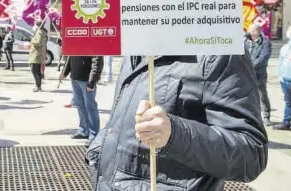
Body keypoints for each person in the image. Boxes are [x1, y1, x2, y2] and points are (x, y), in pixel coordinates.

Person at [86, 55, 268, 190]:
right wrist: (100, 146)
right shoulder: (138, 43)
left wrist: (175, 134)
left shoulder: (218, 50)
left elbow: (251, 155)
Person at [60, 56, 103, 147]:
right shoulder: (75, 42)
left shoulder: (93, 42)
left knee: (90, 108)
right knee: (80, 106)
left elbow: (97, 62)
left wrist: (92, 82)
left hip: (86, 80)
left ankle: (94, 135)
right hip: (75, 77)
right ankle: (83, 130)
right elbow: (70, 57)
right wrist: (65, 72)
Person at [245, 23, 272, 125]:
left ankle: (266, 115)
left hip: (259, 74)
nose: (249, 32)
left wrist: (250, 66)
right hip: (246, 73)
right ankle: (249, 115)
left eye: (251, 30)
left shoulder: (265, 43)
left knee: (262, 94)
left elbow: (263, 58)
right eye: (249, 30)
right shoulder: (244, 41)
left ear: (257, 32)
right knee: (246, 94)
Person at [275, 26, 291, 131]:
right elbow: (280, 63)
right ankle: (286, 121)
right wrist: (280, 75)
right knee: (287, 101)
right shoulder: (285, 47)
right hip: (285, 79)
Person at [29, 21, 47, 92]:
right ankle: (38, 86)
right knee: (37, 71)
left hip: (36, 55)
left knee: (34, 71)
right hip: (37, 54)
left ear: (38, 25)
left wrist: (32, 39)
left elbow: (38, 43)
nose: (33, 26)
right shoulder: (40, 32)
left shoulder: (39, 32)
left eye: (34, 24)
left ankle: (38, 86)